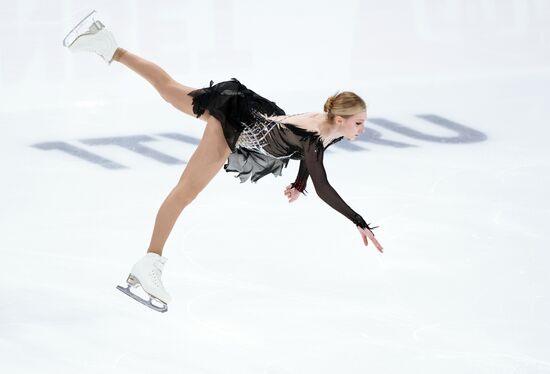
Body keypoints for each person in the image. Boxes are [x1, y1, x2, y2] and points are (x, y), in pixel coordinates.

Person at [63, 11, 383, 313]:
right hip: (235, 124)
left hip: (241, 106)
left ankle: (108, 44)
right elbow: (323, 185)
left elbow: (309, 157)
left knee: (169, 88)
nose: (362, 129)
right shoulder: (316, 136)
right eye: (358, 123)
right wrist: (358, 220)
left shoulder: (330, 130)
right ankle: (150, 262)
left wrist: (299, 183)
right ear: (340, 120)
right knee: (186, 191)